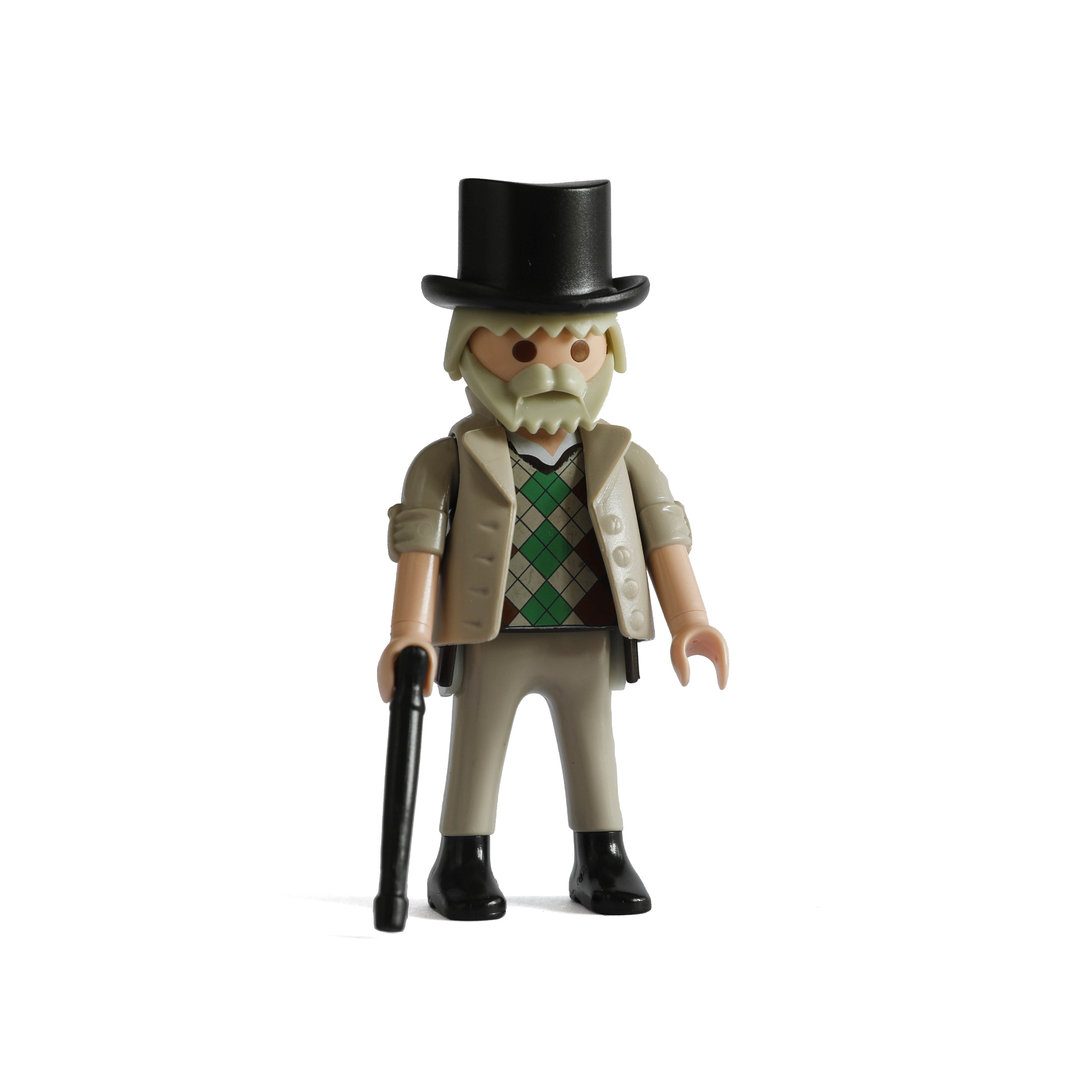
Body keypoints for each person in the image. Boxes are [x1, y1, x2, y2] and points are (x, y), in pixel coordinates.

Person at [378, 179, 728, 919]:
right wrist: (410, 635)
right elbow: (420, 546)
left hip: (588, 629)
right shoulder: (448, 460)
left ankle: (602, 854)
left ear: (609, 353)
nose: (552, 371)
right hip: (491, 629)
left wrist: (691, 620)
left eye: (578, 347)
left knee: (593, 742)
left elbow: (664, 534)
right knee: (477, 743)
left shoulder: (622, 456)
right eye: (522, 348)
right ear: (466, 351)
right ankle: (462, 857)